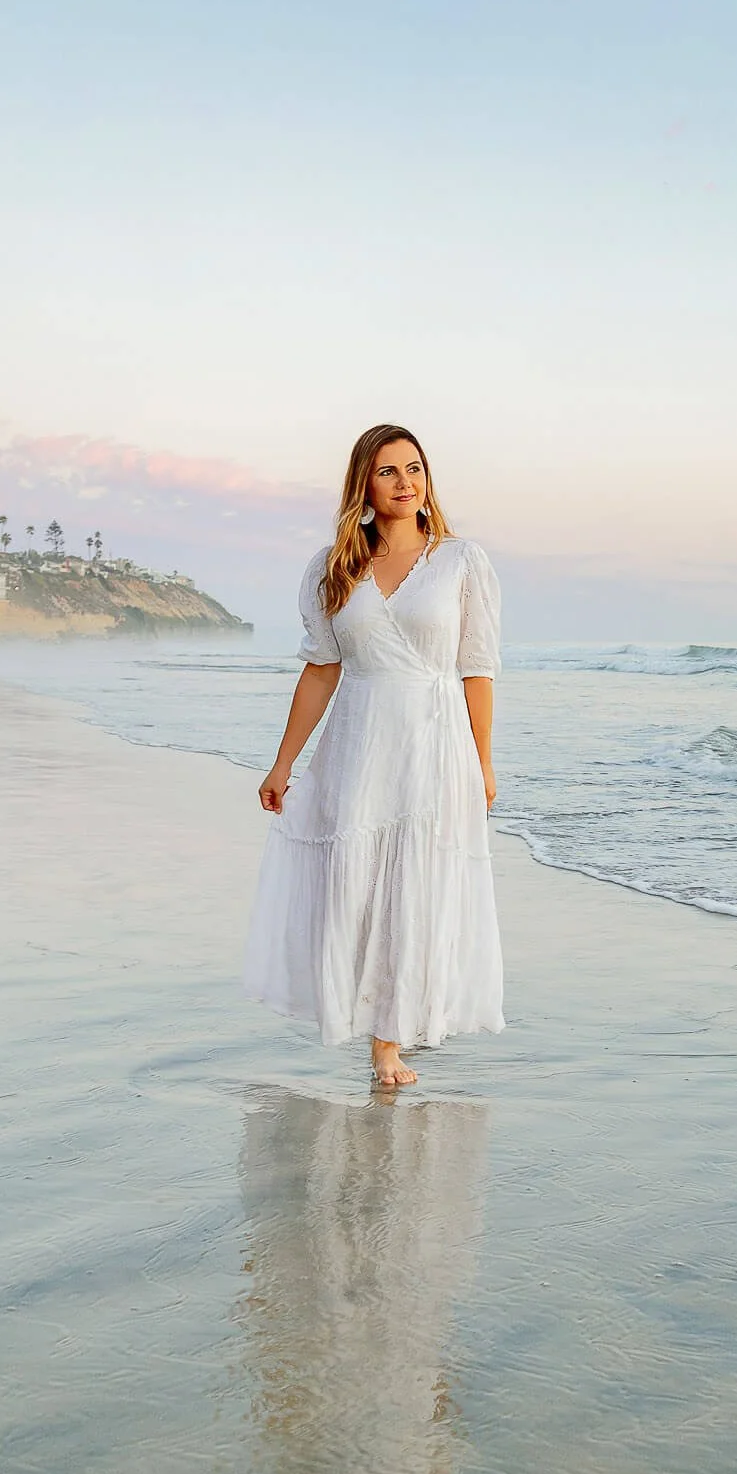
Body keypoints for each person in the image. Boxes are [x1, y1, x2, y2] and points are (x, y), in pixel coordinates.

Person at [245, 425, 505, 1088]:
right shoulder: (334, 568)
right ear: (364, 483)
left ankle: (390, 1039)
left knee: (417, 882)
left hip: (434, 742)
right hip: (360, 743)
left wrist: (483, 763)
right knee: (359, 886)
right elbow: (320, 670)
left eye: (414, 468)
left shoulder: (460, 561)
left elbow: (476, 668)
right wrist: (283, 763)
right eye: (388, 471)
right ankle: (370, 1025)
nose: (405, 482)